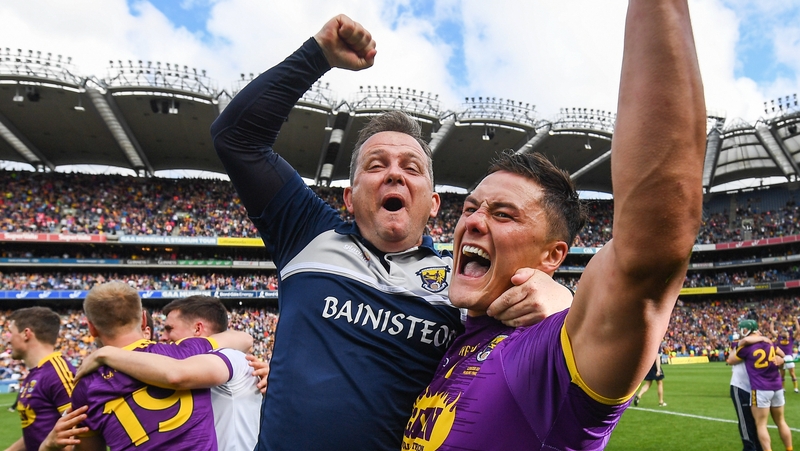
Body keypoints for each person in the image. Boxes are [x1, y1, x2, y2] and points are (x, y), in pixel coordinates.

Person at [210, 13, 573, 451]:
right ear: (349, 196)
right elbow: (237, 137)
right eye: (376, 165)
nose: (395, 175)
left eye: (412, 168)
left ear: (434, 203)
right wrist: (317, 55)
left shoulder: (462, 281)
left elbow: (551, 338)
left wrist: (563, 301)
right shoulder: (307, 234)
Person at [401, 0, 707, 448]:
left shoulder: (548, 357)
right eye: (470, 208)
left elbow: (653, 243)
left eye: (503, 213)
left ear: (553, 255)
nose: (475, 221)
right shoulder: (449, 336)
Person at [39, 282, 254, 451]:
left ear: (92, 329)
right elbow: (242, 338)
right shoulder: (181, 351)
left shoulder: (85, 386)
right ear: (144, 320)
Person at [3, 307, 75, 451]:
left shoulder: (57, 373)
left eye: (10, 333)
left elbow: (75, 437)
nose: (7, 339)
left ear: (26, 334)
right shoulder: (35, 373)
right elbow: (38, 431)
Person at [732, 319, 793, 451]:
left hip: (760, 387)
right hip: (776, 386)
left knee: (760, 425)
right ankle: (789, 448)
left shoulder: (745, 347)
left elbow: (731, 359)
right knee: (781, 421)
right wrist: (781, 360)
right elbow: (785, 357)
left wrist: (747, 341)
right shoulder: (770, 344)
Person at [727, 328, 763, 451]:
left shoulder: (758, 345)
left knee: (755, 421)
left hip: (755, 388)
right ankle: (750, 447)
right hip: (741, 386)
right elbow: (730, 360)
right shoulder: (743, 345)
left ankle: (757, 446)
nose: (760, 334)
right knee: (746, 421)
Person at [771, 317, 798, 393]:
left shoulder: (791, 338)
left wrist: (796, 321)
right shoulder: (779, 338)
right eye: (783, 332)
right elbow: (772, 331)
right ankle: (783, 388)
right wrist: (772, 322)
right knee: (782, 374)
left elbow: (798, 330)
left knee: (792, 374)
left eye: (785, 332)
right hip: (780, 357)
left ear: (788, 334)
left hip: (789, 357)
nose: (784, 332)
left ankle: (795, 388)